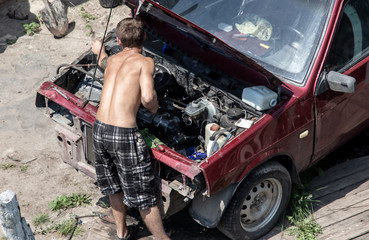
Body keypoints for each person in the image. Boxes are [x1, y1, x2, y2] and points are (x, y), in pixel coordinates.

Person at [91, 17, 169, 240]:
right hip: (123, 134)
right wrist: (155, 108)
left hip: (100, 129)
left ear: (118, 40)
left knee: (112, 184)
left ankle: (121, 232)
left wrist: (100, 50)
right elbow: (147, 97)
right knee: (142, 193)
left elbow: (103, 63)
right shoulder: (145, 62)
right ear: (144, 37)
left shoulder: (113, 59)